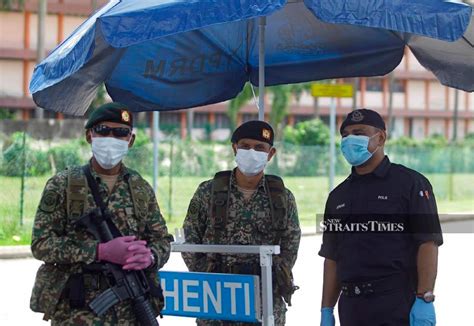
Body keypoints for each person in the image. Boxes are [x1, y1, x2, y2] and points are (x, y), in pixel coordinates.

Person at [30, 102, 173, 325]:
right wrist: (100, 251)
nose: (112, 138)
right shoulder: (63, 185)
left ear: (131, 140)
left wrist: (151, 256)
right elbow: (41, 243)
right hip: (77, 312)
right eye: (103, 131)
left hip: (131, 311)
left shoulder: (140, 188)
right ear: (89, 136)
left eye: (121, 133)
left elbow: (161, 239)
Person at [319, 109, 443, 326]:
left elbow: (428, 243)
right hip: (351, 307)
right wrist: (326, 309)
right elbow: (332, 257)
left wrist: (425, 298)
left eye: (358, 132)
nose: (350, 140)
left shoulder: (410, 184)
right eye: (345, 135)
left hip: (394, 302)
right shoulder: (338, 195)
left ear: (381, 137)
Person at [182, 120, 301, 326]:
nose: (251, 152)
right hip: (217, 298)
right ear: (234, 148)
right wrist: (207, 275)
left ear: (270, 154)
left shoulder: (282, 197)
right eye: (245, 146)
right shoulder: (208, 192)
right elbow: (190, 238)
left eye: (259, 147)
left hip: (265, 300)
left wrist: (271, 274)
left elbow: (290, 246)